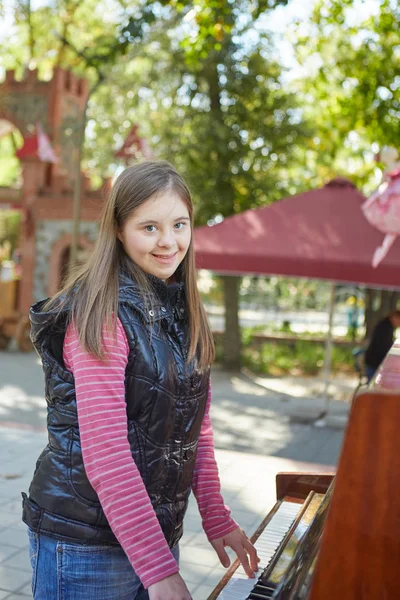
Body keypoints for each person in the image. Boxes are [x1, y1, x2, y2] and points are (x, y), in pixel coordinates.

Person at [22, 161, 259, 600]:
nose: (169, 241)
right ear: (118, 230)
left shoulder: (182, 310)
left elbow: (195, 433)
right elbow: (106, 453)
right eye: (149, 227)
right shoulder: (103, 315)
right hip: (85, 546)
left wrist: (216, 516)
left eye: (179, 224)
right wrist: (159, 571)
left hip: (149, 538)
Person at [364, 309, 400, 382]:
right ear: (395, 317)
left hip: (374, 360)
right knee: (373, 383)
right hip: (374, 361)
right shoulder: (386, 327)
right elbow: (384, 346)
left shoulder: (386, 325)